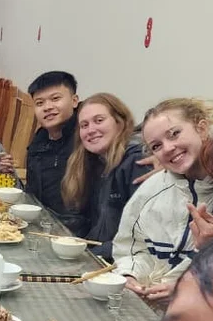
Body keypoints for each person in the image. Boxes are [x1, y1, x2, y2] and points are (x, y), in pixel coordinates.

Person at [113, 97, 213, 303]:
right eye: (156, 146)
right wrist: (129, 275)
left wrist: (187, 290)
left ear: (202, 128)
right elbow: (132, 249)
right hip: (151, 309)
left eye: (175, 134)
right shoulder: (152, 190)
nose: (168, 148)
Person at [60, 92, 151, 259]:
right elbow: (79, 217)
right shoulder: (92, 160)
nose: (91, 130)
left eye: (99, 121)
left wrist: (88, 256)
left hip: (122, 263)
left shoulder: (137, 162)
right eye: (84, 125)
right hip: (98, 254)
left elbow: (142, 236)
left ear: (120, 122)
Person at [24, 71, 80, 218]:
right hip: (45, 225)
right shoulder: (39, 141)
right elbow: (32, 193)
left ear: (74, 101)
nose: (47, 107)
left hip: (78, 232)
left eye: (55, 98)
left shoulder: (86, 137)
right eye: (39, 103)